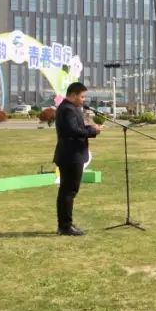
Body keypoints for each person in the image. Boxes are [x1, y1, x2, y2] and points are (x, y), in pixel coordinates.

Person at [54, 82, 101, 235]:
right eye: (82, 97)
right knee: (69, 191)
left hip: (71, 155)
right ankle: (65, 226)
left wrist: (90, 129)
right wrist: (92, 131)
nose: (83, 100)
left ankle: (65, 224)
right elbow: (73, 131)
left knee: (67, 191)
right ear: (73, 95)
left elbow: (76, 129)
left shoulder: (69, 108)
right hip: (71, 156)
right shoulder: (67, 109)